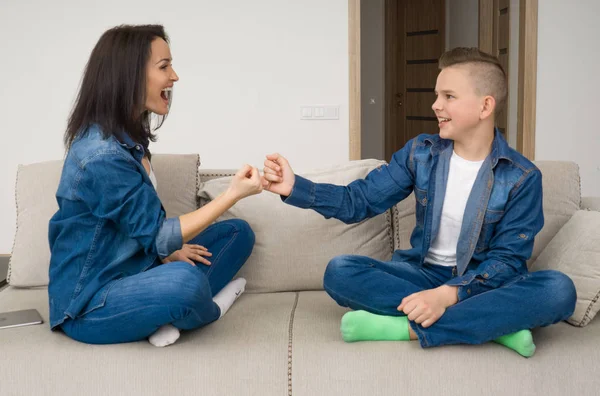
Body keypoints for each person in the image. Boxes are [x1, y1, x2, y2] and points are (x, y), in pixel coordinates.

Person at [262, 47, 576, 357]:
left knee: (559, 289)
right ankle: (493, 324)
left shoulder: (522, 176)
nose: (435, 105)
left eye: (449, 96)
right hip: (423, 275)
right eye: (437, 95)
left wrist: (448, 295)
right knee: (340, 271)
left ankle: (406, 329)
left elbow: (506, 262)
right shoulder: (420, 153)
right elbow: (357, 201)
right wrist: (294, 187)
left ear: (485, 106)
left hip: (484, 284)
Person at [48, 24, 262, 347]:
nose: (174, 76)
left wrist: (167, 254)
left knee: (238, 233)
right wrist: (232, 193)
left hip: (138, 271)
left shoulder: (128, 138)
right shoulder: (99, 155)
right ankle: (211, 308)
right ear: (129, 75)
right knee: (187, 283)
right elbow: (159, 233)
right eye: (164, 67)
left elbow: (140, 227)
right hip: (90, 303)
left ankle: (160, 315)